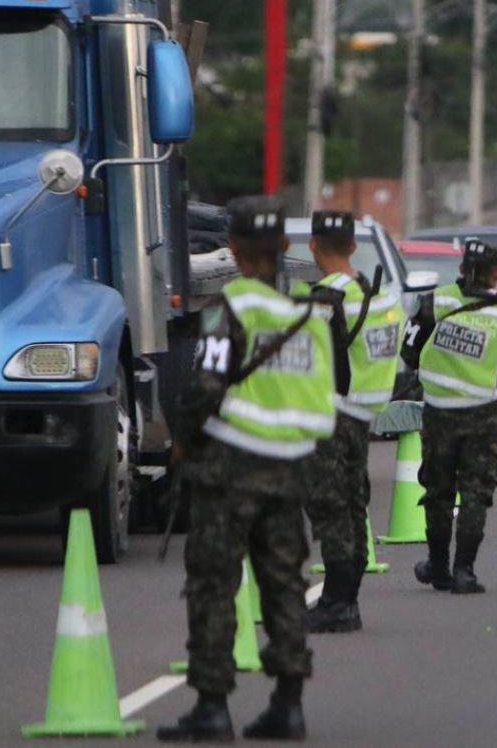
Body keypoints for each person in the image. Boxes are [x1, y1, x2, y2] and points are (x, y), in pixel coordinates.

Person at [158, 196, 336, 742]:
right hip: (291, 467)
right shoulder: (309, 315)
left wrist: (183, 439)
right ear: (283, 247)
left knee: (214, 583)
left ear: (232, 250)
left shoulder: (229, 308)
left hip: (230, 467)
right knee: (283, 584)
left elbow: (207, 384)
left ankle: (213, 707)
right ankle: (289, 704)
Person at [293, 210, 404, 634]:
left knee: (330, 505)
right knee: (353, 503)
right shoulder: (380, 297)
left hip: (330, 414)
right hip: (364, 414)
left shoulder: (324, 300)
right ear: (354, 247)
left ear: (314, 246)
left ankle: (338, 603)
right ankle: (345, 599)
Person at [402, 240, 497, 594]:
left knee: (438, 490)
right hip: (483, 414)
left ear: (461, 269)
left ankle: (437, 566)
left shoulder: (433, 302)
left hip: (438, 411)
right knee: (475, 492)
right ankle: (465, 571)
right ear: (496, 274)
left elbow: (409, 352)